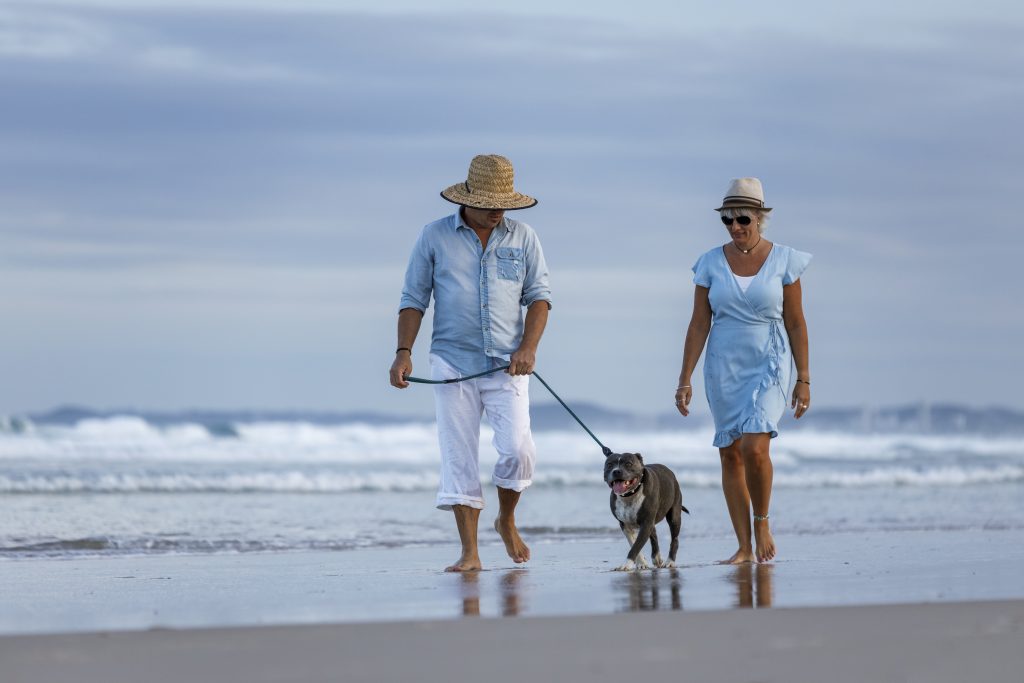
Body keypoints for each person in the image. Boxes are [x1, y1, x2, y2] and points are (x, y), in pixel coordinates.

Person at [389, 154, 552, 572]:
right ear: (467, 199)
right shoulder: (434, 237)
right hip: (451, 362)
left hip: (507, 364)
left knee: (518, 451)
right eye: (490, 203)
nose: (498, 212)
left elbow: (539, 298)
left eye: (505, 205)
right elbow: (413, 299)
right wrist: (403, 353)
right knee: (458, 458)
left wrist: (528, 348)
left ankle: (507, 519)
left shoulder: (524, 237)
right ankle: (469, 552)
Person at [675, 178, 811, 564]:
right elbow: (698, 324)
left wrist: (803, 377)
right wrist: (684, 378)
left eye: (743, 219)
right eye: (728, 220)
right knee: (729, 453)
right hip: (723, 363)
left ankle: (762, 521)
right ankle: (743, 547)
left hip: (768, 359)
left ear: (760, 218)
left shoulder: (785, 260)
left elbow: (797, 323)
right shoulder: (709, 263)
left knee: (755, 445)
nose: (735, 226)